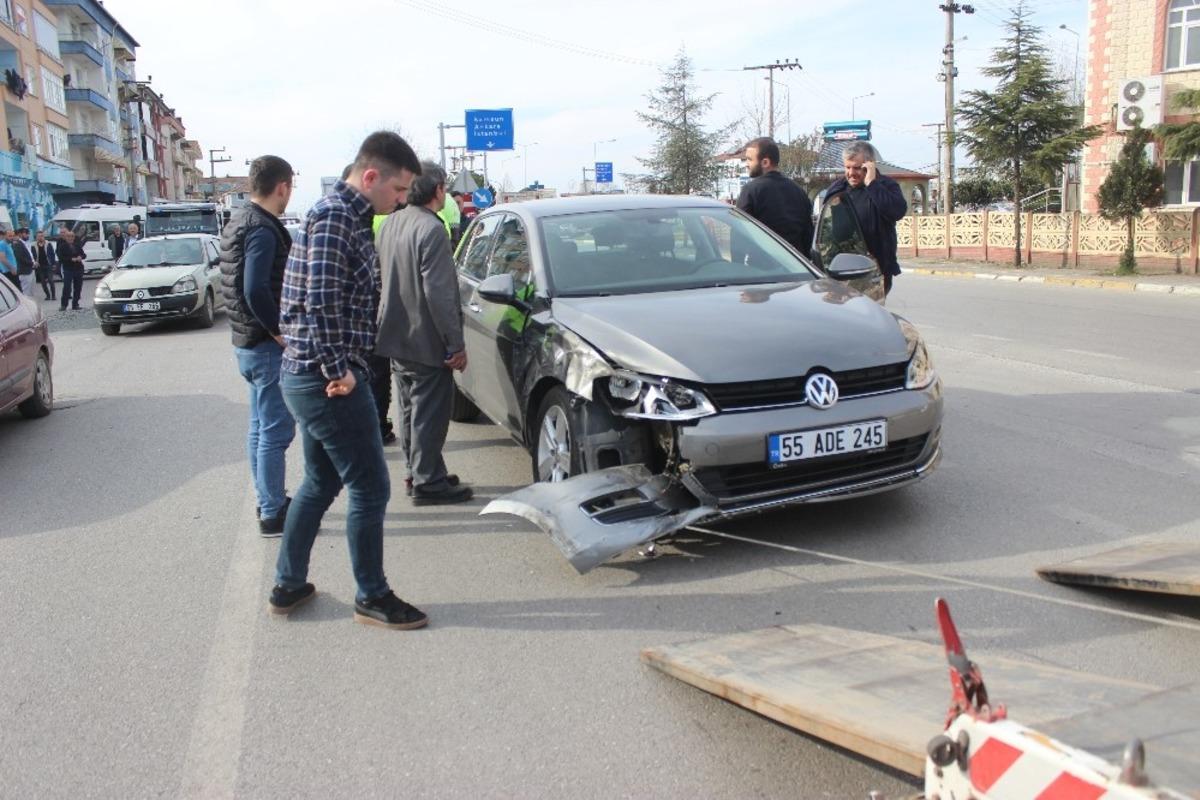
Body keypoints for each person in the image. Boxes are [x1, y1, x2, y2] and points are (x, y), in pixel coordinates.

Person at [271, 130, 426, 630]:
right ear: (371, 176)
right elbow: (321, 300)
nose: (401, 201)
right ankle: (372, 596)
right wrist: (338, 369)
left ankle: (288, 584)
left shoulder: (346, 214)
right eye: (399, 191)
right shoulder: (338, 215)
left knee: (320, 481)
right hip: (327, 378)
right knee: (370, 487)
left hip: (309, 372)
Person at [376, 161, 472, 506]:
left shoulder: (390, 223)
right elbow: (439, 293)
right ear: (439, 191)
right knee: (429, 413)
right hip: (426, 337)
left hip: (395, 334)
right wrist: (455, 344)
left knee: (408, 411)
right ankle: (428, 482)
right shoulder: (432, 229)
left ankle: (418, 471)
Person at [219, 155, 297, 537]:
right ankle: (272, 511)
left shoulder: (239, 220)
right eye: (290, 187)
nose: (289, 195)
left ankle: (269, 499)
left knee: (259, 427)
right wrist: (279, 330)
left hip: (245, 341)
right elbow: (253, 288)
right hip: (264, 345)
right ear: (282, 186)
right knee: (276, 431)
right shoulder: (262, 228)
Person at [824, 141, 908, 295]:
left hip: (875, 270)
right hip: (842, 270)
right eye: (847, 167)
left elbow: (897, 211)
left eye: (857, 168)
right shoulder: (837, 189)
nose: (851, 173)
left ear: (870, 165)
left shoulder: (886, 186)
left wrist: (871, 184)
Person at [737, 137, 814, 259]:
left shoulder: (750, 191)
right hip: (796, 267)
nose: (746, 164)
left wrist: (736, 266)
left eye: (749, 159)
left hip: (763, 268)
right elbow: (808, 236)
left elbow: (739, 233)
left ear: (765, 162)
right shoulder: (799, 191)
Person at [56, 228, 85, 310]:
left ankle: (75, 304)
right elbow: (61, 258)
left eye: (72, 236)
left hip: (78, 268)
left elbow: (83, 254)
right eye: (69, 236)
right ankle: (64, 305)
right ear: (66, 237)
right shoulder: (62, 247)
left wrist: (80, 257)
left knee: (78, 287)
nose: (70, 238)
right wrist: (70, 259)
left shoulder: (77, 245)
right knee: (67, 287)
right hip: (68, 269)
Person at [32, 229, 57, 300]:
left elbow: (52, 254)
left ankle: (53, 296)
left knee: (51, 280)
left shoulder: (48, 244)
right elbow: (33, 255)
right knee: (43, 282)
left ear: (44, 237)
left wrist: (54, 263)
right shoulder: (33, 246)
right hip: (39, 266)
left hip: (48, 265)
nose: (40, 237)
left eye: (42, 236)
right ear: (36, 237)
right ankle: (48, 295)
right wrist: (34, 263)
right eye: (39, 236)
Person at [12, 227, 34, 296]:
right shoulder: (17, 244)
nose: (28, 235)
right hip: (24, 271)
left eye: (28, 233)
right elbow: (20, 258)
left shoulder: (25, 243)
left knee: (30, 290)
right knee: (25, 291)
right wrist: (32, 263)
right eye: (26, 233)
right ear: (20, 234)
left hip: (30, 269)